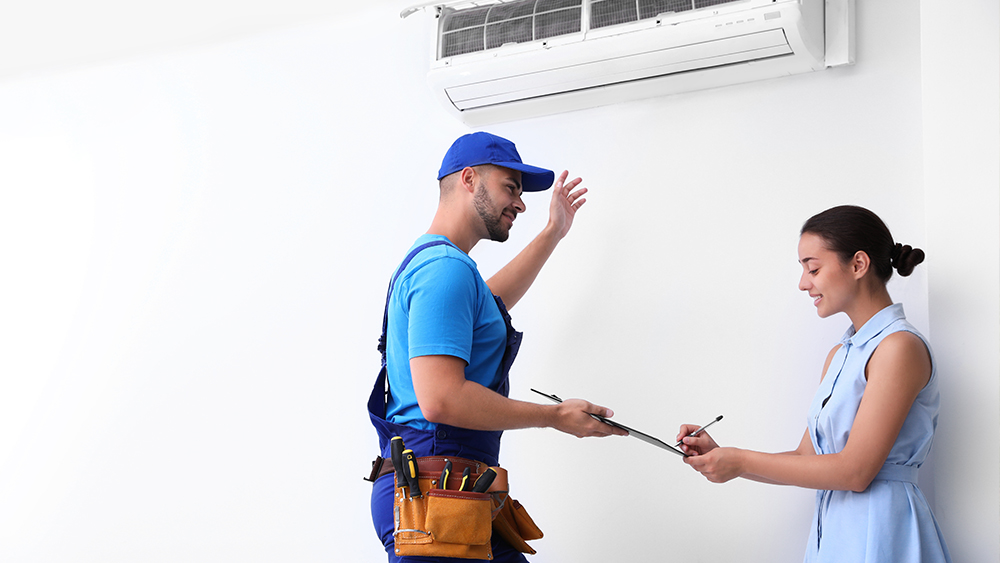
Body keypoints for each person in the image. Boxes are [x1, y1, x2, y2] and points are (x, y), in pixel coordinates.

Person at [367, 131, 627, 562]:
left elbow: (489, 306)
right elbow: (442, 400)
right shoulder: (445, 271)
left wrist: (553, 233)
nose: (521, 203)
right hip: (436, 500)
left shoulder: (437, 264)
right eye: (511, 187)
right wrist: (555, 416)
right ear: (469, 179)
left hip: (448, 495)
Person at [677, 205, 952, 562]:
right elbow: (808, 458)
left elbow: (855, 471)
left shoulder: (899, 347)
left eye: (813, 267)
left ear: (858, 264)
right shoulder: (841, 354)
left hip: (885, 529)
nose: (804, 283)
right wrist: (723, 456)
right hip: (836, 529)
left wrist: (742, 461)